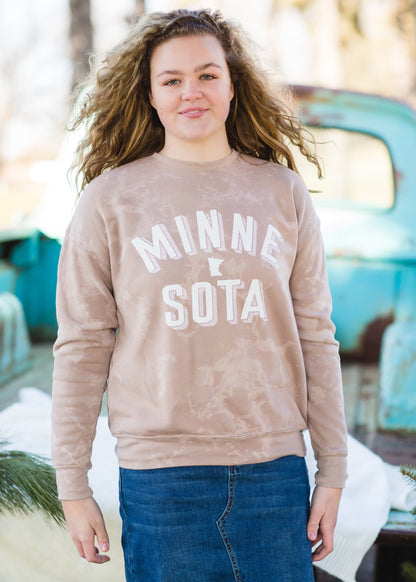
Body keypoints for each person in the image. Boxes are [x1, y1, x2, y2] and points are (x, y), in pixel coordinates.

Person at [52, 8, 348, 582]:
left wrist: (332, 471)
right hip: (161, 479)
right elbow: (82, 347)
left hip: (273, 471)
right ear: (151, 95)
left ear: (233, 85)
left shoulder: (282, 193)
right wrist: (73, 485)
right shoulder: (110, 201)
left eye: (208, 75)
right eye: (172, 80)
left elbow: (316, 334)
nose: (192, 91)